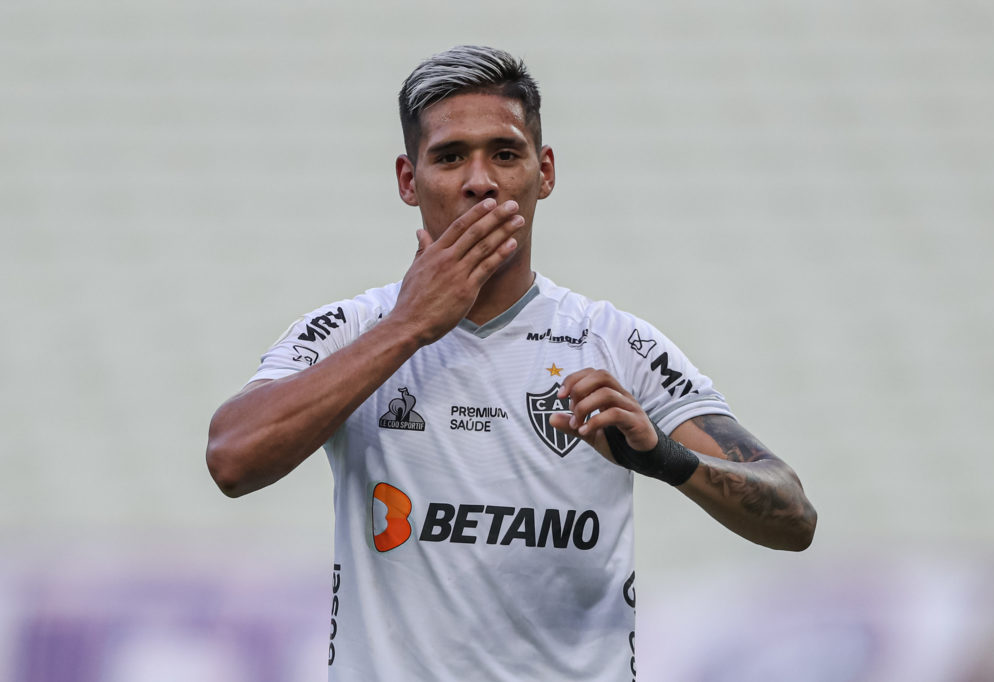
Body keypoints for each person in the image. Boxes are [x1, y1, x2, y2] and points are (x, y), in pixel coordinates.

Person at [206, 45, 816, 681]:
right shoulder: (356, 331)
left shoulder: (615, 342)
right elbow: (231, 457)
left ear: (544, 171)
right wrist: (412, 326)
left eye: (505, 152)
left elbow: (793, 514)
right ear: (407, 180)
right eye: (449, 156)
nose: (481, 180)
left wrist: (667, 458)